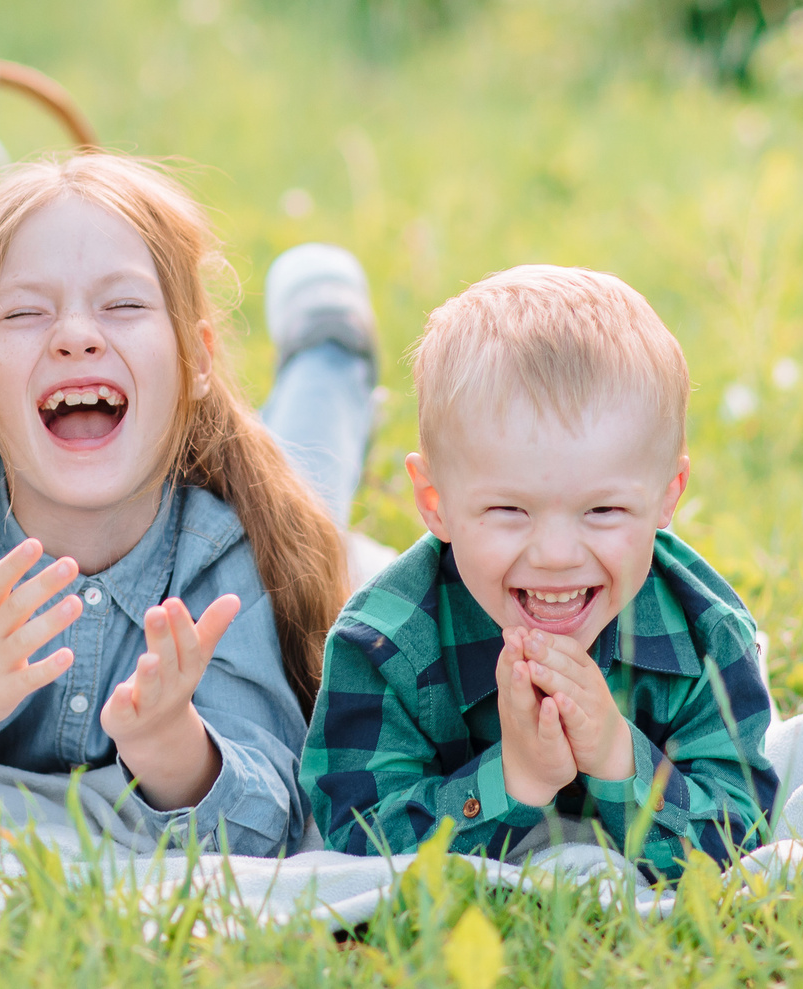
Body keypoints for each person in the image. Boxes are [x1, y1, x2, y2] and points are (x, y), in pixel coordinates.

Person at [0, 154, 357, 853]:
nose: (76, 334)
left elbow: (269, 824)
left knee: (312, 474)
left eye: (122, 304)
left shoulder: (229, 548)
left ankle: (329, 351)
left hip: (231, 462)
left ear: (195, 358)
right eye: (27, 311)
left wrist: (174, 748)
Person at [299, 265, 777, 877]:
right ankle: (325, 356)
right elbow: (357, 836)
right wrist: (512, 778)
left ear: (667, 494)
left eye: (603, 509)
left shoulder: (706, 635)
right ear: (435, 500)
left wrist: (617, 755)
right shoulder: (384, 646)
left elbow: (741, 832)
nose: (556, 554)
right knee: (304, 519)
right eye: (508, 509)